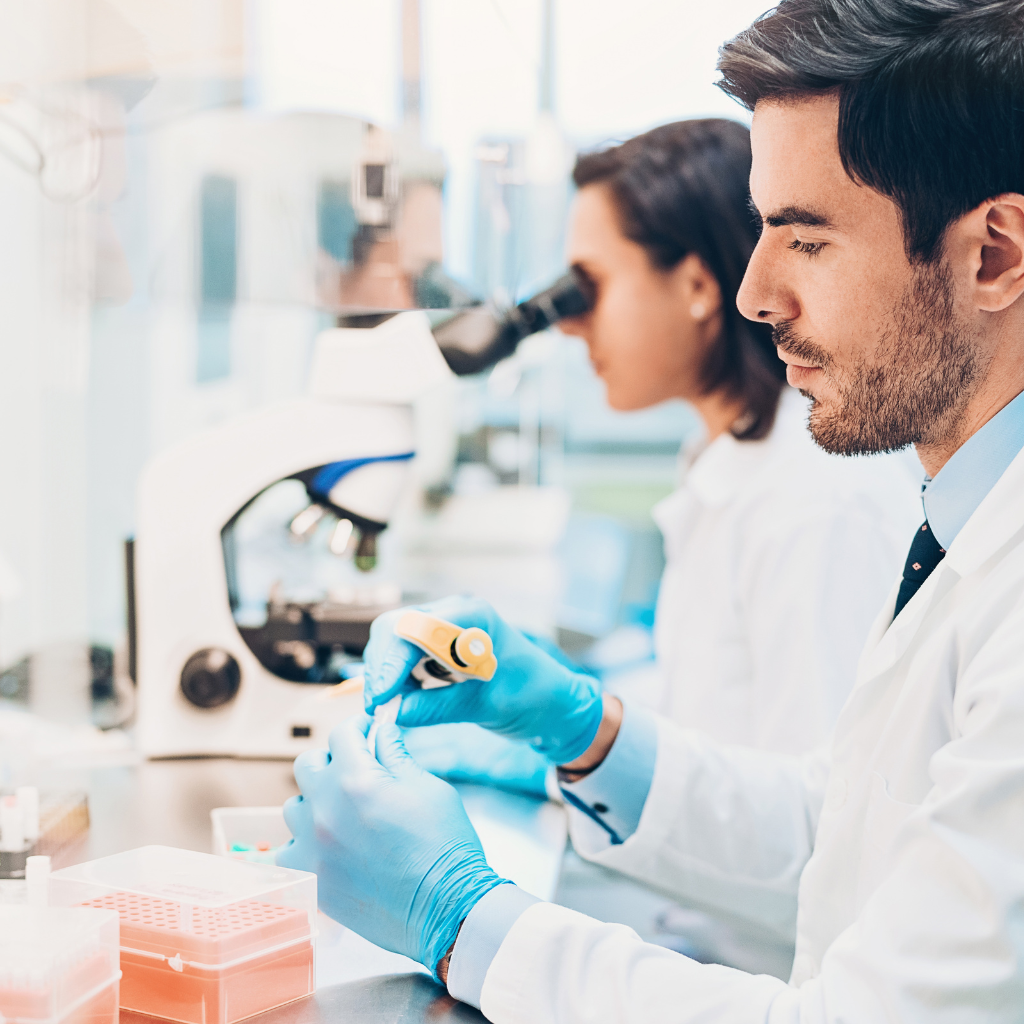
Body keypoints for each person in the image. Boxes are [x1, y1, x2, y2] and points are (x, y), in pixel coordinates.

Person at [279, 0, 1024, 1019]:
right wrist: (585, 733)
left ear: (993, 256)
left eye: (805, 240)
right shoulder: (964, 522)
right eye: (762, 231)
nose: (755, 293)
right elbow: (849, 831)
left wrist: (465, 921)